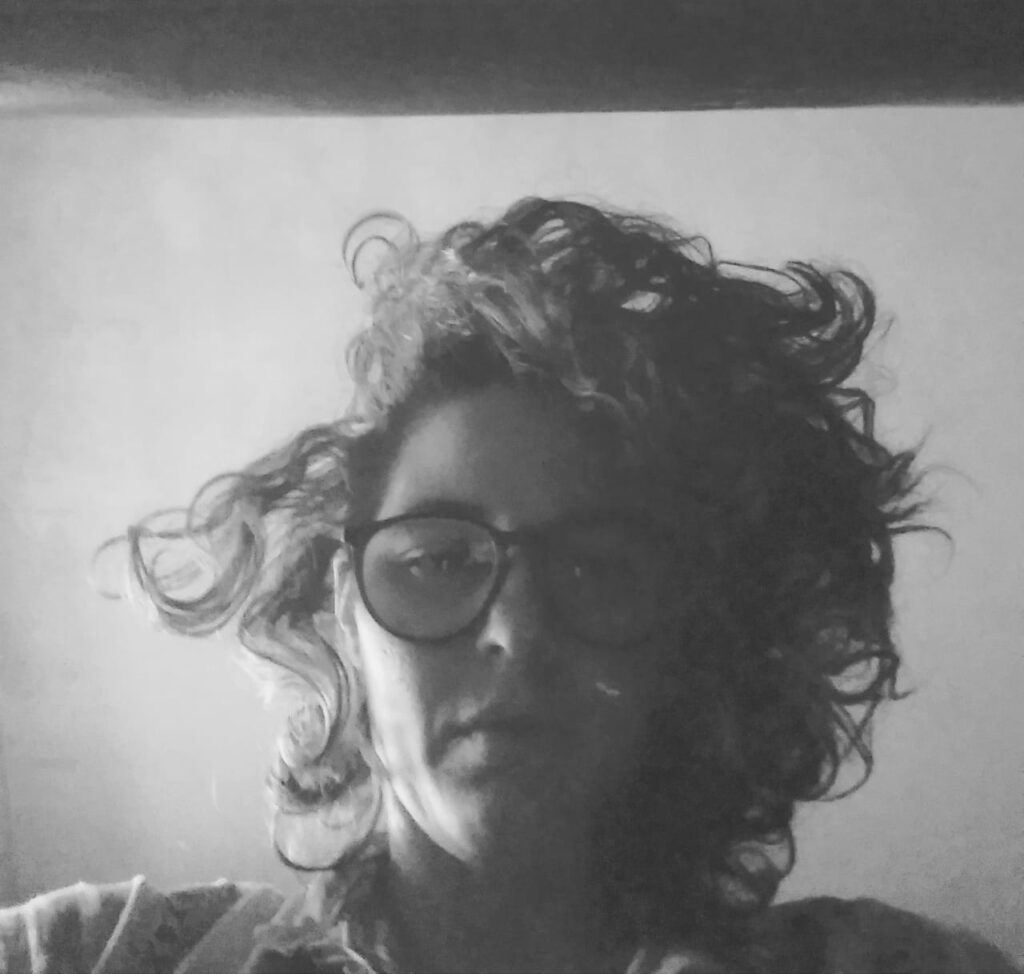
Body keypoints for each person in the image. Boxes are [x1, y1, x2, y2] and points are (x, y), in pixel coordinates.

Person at [0, 198, 1018, 974]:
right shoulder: (93, 953)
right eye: (438, 561)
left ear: (688, 634)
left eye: (594, 565)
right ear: (347, 615)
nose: (517, 634)